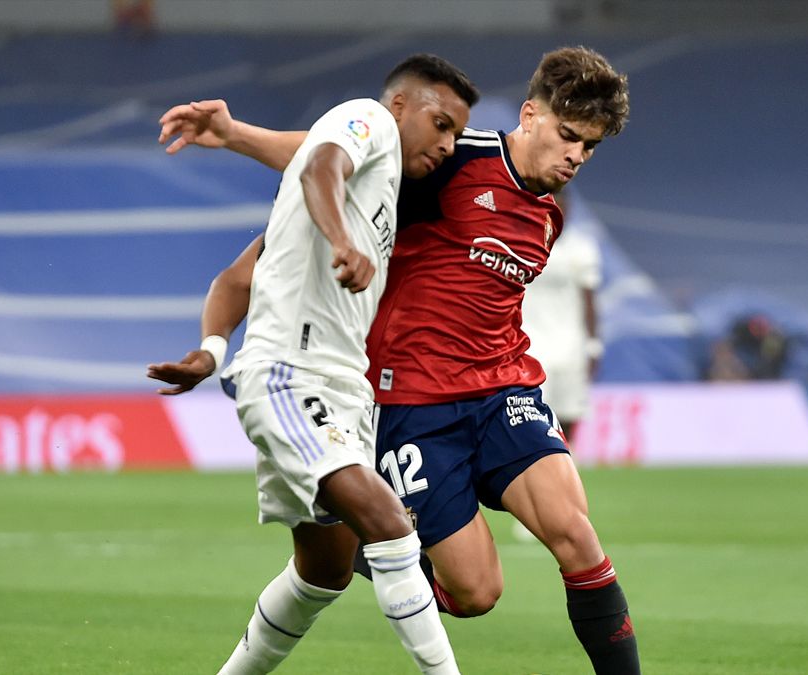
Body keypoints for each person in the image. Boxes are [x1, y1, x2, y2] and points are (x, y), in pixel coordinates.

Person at [155, 46, 638, 674]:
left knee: (577, 537)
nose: (576, 155)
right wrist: (235, 135)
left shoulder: (548, 217)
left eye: (591, 146)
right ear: (530, 115)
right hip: (411, 408)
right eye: (569, 135)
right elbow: (331, 154)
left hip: (503, 392)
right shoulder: (450, 162)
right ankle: (371, 542)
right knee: (475, 594)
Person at [148, 54, 479, 674]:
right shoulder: (370, 120)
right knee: (388, 521)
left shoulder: (379, 191)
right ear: (402, 106)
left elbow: (235, 278)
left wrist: (211, 351)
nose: (449, 144)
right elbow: (322, 163)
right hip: (289, 376)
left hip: (341, 390)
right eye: (442, 124)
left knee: (325, 569)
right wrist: (342, 240)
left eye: (459, 134)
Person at [519, 189, 603, 440]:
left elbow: (589, 301)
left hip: (570, 348)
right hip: (530, 347)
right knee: (532, 420)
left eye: (563, 206)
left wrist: (593, 346)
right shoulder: (521, 244)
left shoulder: (581, 248)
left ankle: (568, 468)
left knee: (568, 417)